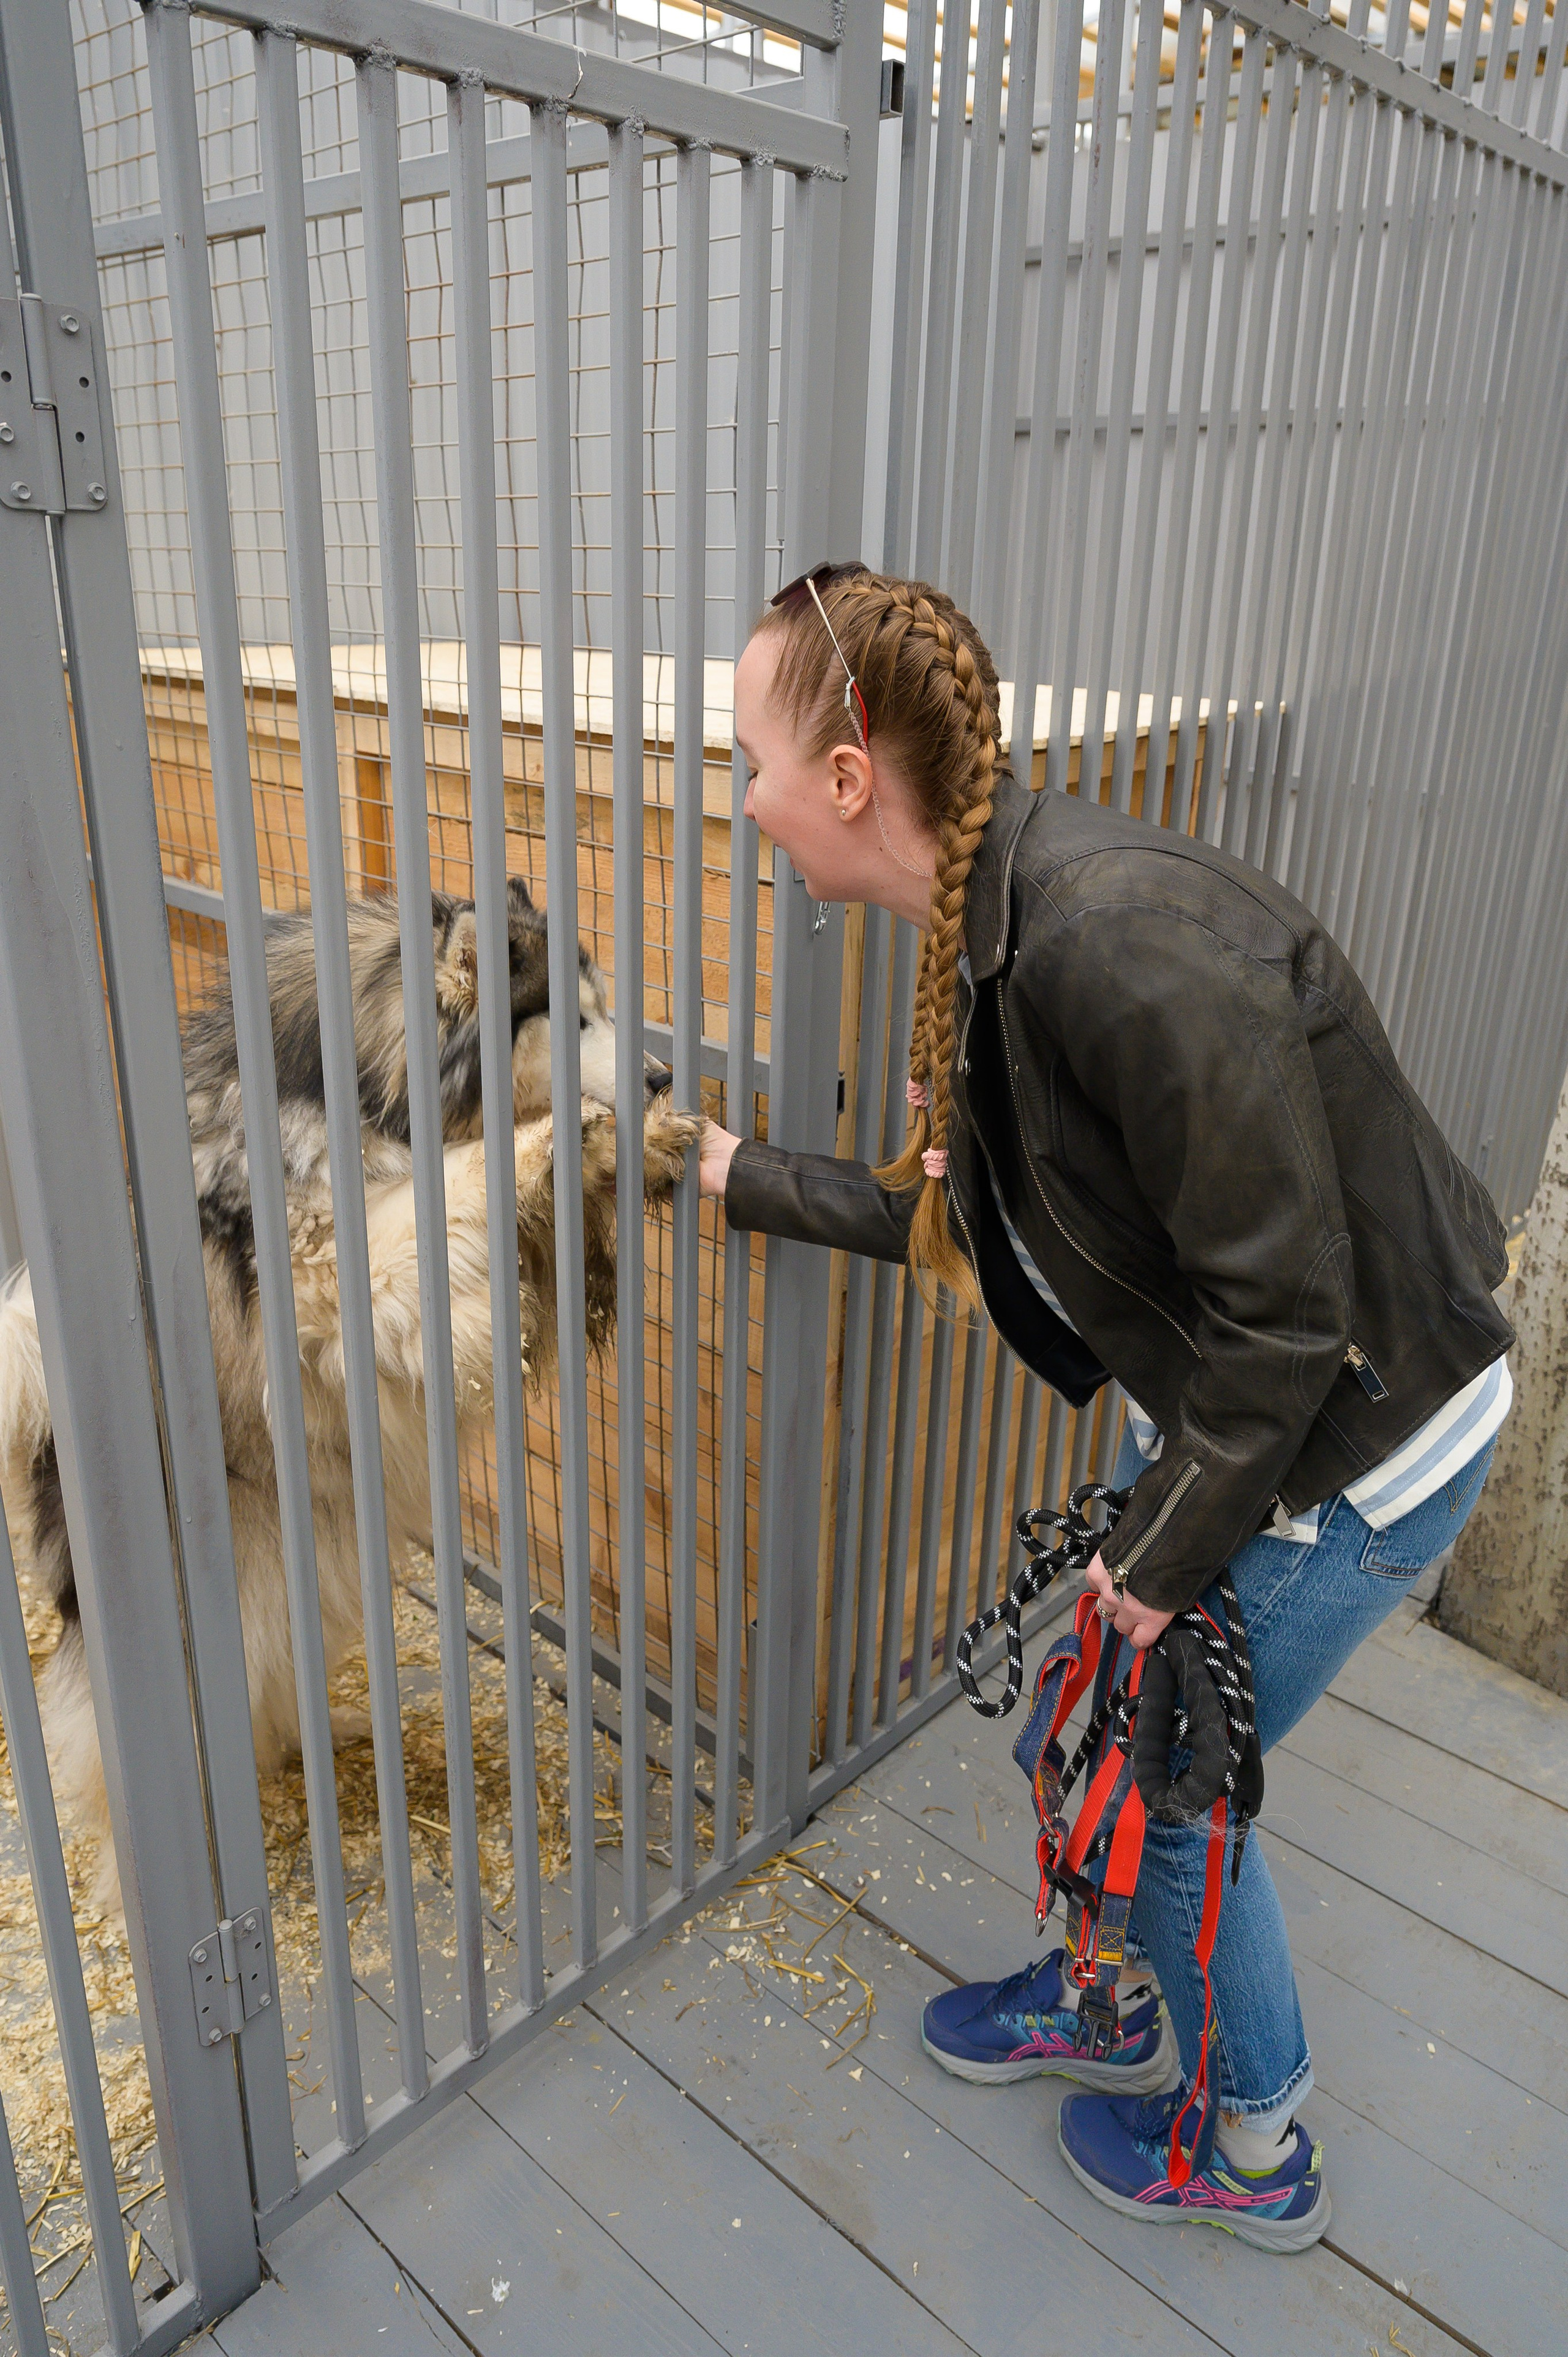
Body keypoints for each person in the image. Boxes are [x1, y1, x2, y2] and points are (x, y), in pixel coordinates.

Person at [696, 563, 1513, 2253]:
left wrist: (1155, 1567)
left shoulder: (1116, 944)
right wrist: (728, 1175)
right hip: (1227, 1411)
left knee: (1170, 1789)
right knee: (1072, 1732)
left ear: (845, 782)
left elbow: (1289, 1321)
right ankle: (1112, 2004)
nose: (744, 803)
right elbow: (958, 1213)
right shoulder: (992, 939)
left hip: (1350, 1442)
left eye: (747, 762)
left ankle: (1256, 2141)